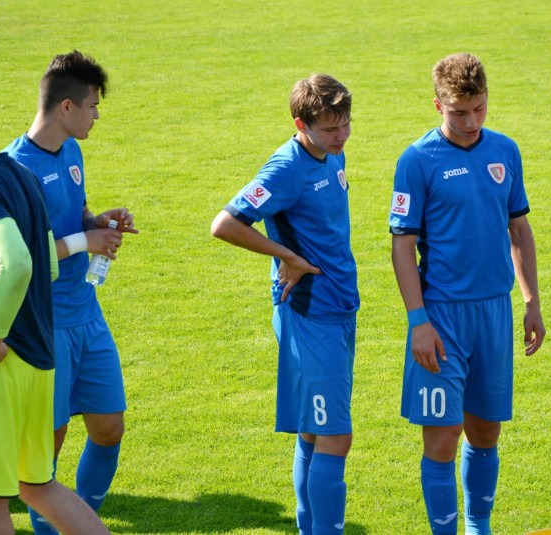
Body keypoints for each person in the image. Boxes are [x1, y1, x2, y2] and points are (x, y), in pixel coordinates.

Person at [389, 52, 545, 535]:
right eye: (459, 112)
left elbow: (519, 230)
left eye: (479, 109)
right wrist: (418, 321)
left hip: (495, 312)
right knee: (441, 440)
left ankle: (480, 527)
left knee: (485, 432)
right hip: (442, 318)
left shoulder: (505, 151)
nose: (471, 121)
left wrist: (531, 301)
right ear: (438, 105)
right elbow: (402, 246)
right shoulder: (417, 160)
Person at [211, 74, 357, 535]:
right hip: (310, 313)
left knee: (315, 430)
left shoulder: (332, 154)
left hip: (338, 307)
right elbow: (225, 223)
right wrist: (286, 256)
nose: (342, 135)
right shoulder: (285, 168)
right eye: (331, 128)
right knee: (335, 434)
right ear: (301, 124)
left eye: (346, 124)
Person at [3, 50, 137, 533]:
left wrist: (96, 221)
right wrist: (86, 241)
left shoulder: (72, 152)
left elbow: (74, 212)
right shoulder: (14, 170)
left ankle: (82, 518)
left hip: (87, 312)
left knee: (109, 427)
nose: (96, 115)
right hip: (45, 326)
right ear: (66, 107)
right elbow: (19, 257)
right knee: (48, 445)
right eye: (93, 106)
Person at [0, 152, 110, 534]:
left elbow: (17, 264)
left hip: (3, 362)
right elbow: (49, 265)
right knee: (37, 485)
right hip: (38, 356)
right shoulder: (21, 175)